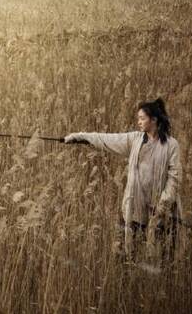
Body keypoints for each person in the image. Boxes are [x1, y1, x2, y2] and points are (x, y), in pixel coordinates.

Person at [64, 98, 182, 260]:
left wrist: (162, 205)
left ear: (154, 120)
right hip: (134, 206)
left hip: (160, 211)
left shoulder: (171, 145)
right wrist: (78, 137)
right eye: (138, 118)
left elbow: (174, 178)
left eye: (142, 118)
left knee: (161, 259)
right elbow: (107, 139)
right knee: (124, 256)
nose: (138, 122)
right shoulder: (135, 139)